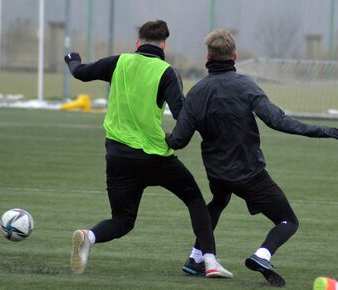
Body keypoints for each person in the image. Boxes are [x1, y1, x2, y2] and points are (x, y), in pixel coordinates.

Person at [165, 28, 338, 287]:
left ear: (207, 57)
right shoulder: (246, 86)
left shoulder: (197, 92)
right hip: (250, 174)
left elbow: (178, 140)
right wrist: (329, 131)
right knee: (288, 220)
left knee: (220, 199)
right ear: (234, 56)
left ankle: (196, 257)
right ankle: (262, 255)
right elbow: (278, 121)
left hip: (217, 174)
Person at [64, 20, 232, 278]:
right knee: (194, 199)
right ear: (164, 44)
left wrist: (71, 58)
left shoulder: (118, 62)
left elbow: (80, 72)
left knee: (122, 220)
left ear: (137, 42)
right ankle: (208, 260)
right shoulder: (166, 72)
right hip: (155, 157)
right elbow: (181, 115)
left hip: (118, 157)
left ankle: (90, 236)